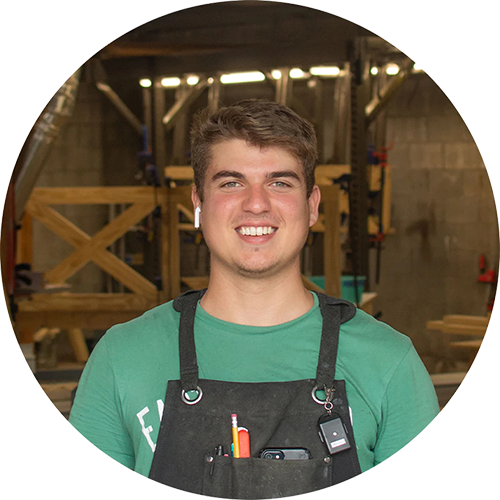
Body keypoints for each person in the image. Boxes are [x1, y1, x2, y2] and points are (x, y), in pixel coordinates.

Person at [69, 99, 439, 497]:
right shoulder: (122, 357)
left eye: (280, 183)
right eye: (231, 183)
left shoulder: (389, 363)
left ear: (312, 206)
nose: (257, 203)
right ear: (198, 204)